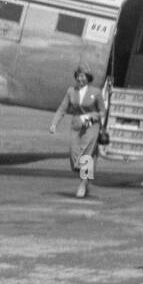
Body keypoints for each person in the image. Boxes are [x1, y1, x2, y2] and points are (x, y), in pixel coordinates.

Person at [49, 64, 107, 198]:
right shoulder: (71, 91)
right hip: (76, 126)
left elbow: (102, 111)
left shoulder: (96, 92)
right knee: (75, 154)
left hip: (91, 126)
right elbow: (62, 108)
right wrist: (54, 124)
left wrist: (91, 117)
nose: (80, 79)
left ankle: (83, 183)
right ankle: (85, 179)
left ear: (88, 78)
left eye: (83, 76)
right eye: (78, 76)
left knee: (86, 153)